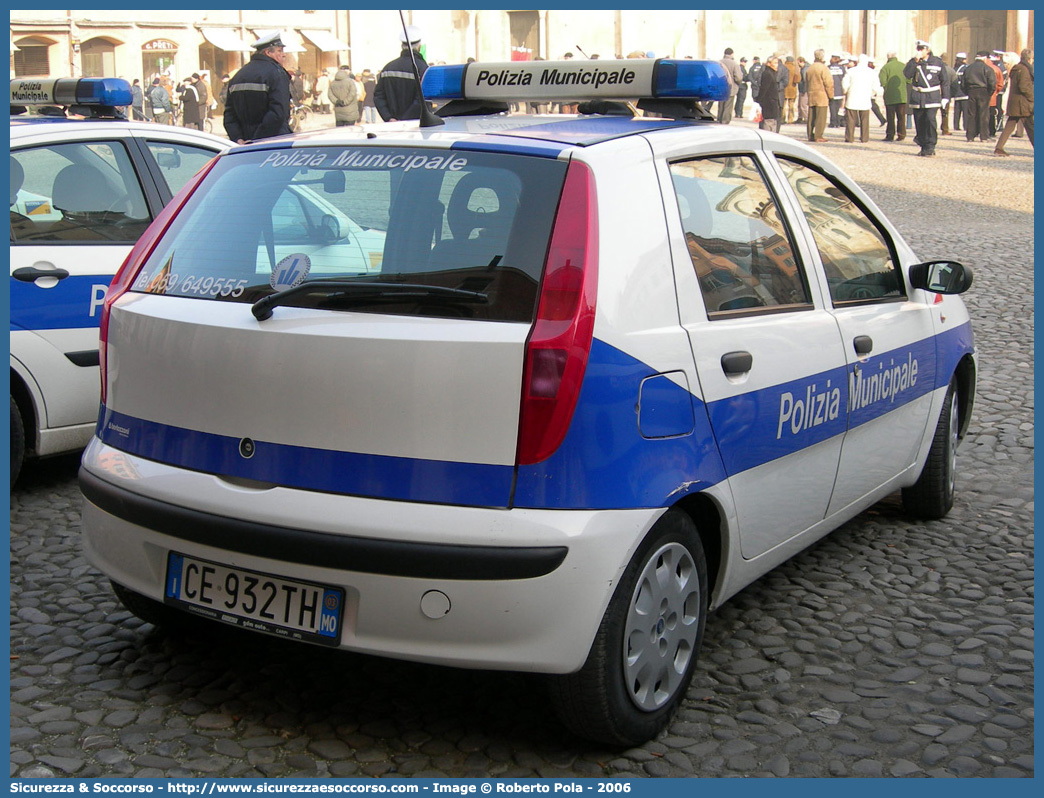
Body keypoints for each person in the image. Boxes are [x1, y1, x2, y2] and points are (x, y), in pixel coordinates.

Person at [223, 31, 293, 144]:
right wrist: (257, 140)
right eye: (280, 51)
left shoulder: (239, 75)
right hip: (273, 142)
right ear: (267, 53)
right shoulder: (276, 73)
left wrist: (238, 138)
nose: (283, 55)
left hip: (244, 145)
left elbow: (229, 114)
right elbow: (278, 112)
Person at [374, 25, 429, 122]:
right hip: (415, 125)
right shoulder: (423, 69)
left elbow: (378, 96)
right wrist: (405, 119)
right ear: (419, 47)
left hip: (392, 125)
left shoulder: (388, 68)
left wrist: (389, 117)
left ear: (402, 46)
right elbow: (422, 99)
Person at [904, 40, 948, 157]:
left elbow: (945, 81)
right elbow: (907, 74)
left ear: (927, 50)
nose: (919, 51)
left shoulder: (937, 62)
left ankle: (930, 146)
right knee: (919, 122)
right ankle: (923, 145)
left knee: (930, 120)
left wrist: (945, 97)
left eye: (921, 49)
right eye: (918, 49)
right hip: (917, 97)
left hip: (931, 96)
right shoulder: (913, 62)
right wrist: (915, 61)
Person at [994, 49, 1034, 155]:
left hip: (1016, 103)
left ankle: (999, 147)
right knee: (1031, 127)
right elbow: (1024, 87)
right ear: (1029, 59)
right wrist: (1032, 97)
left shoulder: (1017, 68)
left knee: (1010, 126)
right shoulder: (1024, 70)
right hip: (1022, 104)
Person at [962, 51, 996, 143]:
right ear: (985, 58)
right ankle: (984, 136)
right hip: (983, 91)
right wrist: (989, 93)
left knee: (971, 114)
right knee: (984, 114)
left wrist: (967, 92)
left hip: (971, 91)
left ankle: (970, 136)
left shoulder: (968, 68)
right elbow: (992, 83)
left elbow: (963, 83)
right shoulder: (987, 68)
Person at [842, 54, 874, 143]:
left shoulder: (851, 71)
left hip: (852, 97)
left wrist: (845, 91)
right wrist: (872, 94)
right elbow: (875, 86)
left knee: (851, 120)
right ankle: (864, 138)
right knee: (865, 120)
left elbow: (845, 84)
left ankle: (849, 137)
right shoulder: (871, 72)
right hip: (865, 98)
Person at [806, 49, 833, 142]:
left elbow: (807, 81)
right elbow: (828, 83)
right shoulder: (823, 68)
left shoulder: (810, 67)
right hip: (821, 95)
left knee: (811, 117)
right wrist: (831, 95)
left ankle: (810, 134)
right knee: (821, 117)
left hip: (811, 94)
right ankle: (818, 135)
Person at [756, 55, 782, 133]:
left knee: (773, 122)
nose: (777, 65)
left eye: (777, 63)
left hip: (772, 101)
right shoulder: (767, 73)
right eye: (775, 63)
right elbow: (764, 89)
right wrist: (759, 100)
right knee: (768, 122)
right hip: (769, 102)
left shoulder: (772, 73)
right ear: (769, 63)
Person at [717, 47, 743, 124]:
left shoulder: (719, 62)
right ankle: (725, 122)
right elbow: (738, 77)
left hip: (720, 89)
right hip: (731, 89)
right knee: (728, 107)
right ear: (732, 54)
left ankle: (719, 120)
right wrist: (738, 83)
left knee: (721, 106)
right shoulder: (734, 63)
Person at [987, 52, 1005, 137]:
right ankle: (992, 130)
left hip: (981, 94)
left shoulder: (984, 67)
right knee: (993, 112)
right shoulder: (997, 68)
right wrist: (996, 91)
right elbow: (1001, 83)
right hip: (993, 94)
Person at [951, 53, 969, 132]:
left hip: (956, 92)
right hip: (964, 93)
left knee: (957, 111)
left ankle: (956, 125)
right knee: (965, 111)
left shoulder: (954, 68)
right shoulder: (966, 68)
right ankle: (966, 126)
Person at [828, 53, 846, 127]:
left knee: (832, 107)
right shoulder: (842, 68)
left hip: (831, 90)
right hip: (839, 90)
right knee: (838, 108)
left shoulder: (828, 68)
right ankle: (838, 122)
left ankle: (833, 122)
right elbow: (844, 78)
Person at [783, 56, 800, 123]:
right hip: (792, 89)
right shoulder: (795, 68)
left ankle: (782, 118)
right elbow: (797, 79)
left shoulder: (783, 67)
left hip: (784, 88)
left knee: (783, 105)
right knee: (791, 105)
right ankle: (790, 119)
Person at [747, 56, 764, 121]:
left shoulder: (752, 68)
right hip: (761, 87)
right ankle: (760, 115)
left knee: (755, 101)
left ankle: (756, 115)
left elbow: (750, 77)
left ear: (754, 60)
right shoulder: (762, 67)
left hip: (754, 87)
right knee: (761, 101)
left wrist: (755, 83)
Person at [796, 56, 809, 122]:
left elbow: (805, 80)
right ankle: (800, 117)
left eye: (798, 63)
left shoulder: (805, 69)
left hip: (804, 89)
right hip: (802, 89)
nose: (798, 65)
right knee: (800, 104)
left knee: (803, 105)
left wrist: (804, 90)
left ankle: (806, 118)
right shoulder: (804, 68)